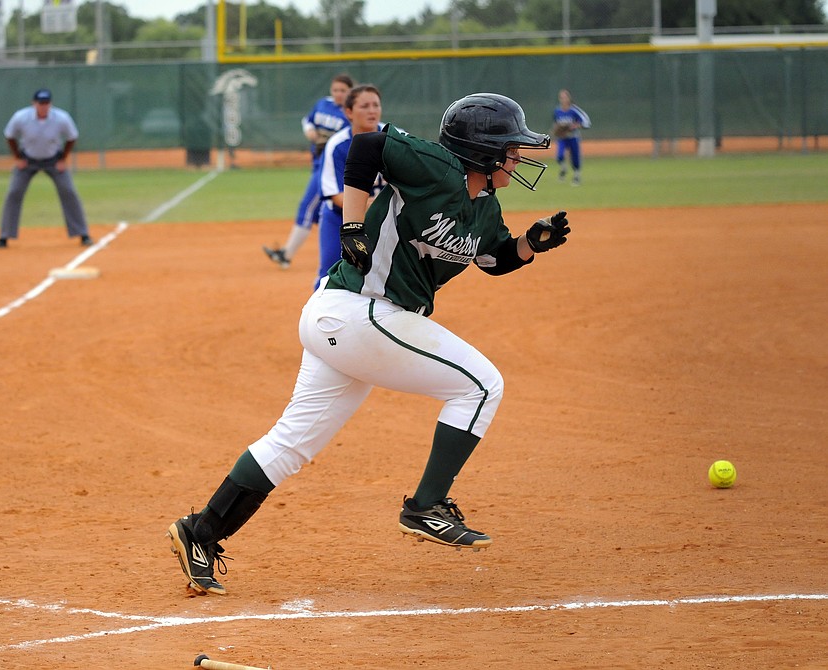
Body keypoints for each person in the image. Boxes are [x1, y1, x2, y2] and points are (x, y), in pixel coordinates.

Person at [167, 92, 571, 595]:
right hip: (360, 309)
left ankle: (201, 532)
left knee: (292, 443)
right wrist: (353, 225)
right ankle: (426, 505)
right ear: (482, 152)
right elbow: (367, 147)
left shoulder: (485, 209)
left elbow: (495, 260)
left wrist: (532, 244)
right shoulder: (439, 167)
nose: (518, 157)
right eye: (510, 148)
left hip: (350, 321)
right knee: (481, 385)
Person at [263, 74, 354, 268]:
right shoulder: (323, 104)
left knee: (307, 208)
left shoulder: (349, 115)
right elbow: (308, 121)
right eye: (335, 90)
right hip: (317, 163)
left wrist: (327, 140)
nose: (338, 94)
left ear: (350, 92)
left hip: (328, 169)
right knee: (319, 212)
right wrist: (311, 132)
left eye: (343, 90)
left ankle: (286, 256)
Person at [0, 88, 93, 249]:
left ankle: (83, 234)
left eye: (46, 103)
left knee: (68, 191)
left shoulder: (61, 118)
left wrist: (63, 159)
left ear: (50, 104)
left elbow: (72, 137)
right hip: (28, 160)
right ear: (34, 104)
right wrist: (17, 157)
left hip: (53, 160)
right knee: (13, 192)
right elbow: (9, 135)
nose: (43, 106)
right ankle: (4, 236)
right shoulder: (21, 117)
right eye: (40, 103)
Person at [314, 84, 386, 290]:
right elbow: (335, 195)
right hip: (339, 218)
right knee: (329, 274)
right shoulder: (338, 145)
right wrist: (371, 205)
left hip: (384, 218)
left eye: (376, 105)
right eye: (364, 106)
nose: (372, 111)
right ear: (349, 112)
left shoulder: (395, 137)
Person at [552, 88, 591, 186]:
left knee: (575, 157)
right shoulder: (557, 111)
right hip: (562, 137)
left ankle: (576, 176)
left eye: (565, 97)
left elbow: (586, 122)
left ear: (569, 98)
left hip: (573, 137)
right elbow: (556, 123)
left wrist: (576, 125)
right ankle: (563, 168)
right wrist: (556, 129)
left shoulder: (574, 110)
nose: (564, 99)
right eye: (562, 97)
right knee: (560, 156)